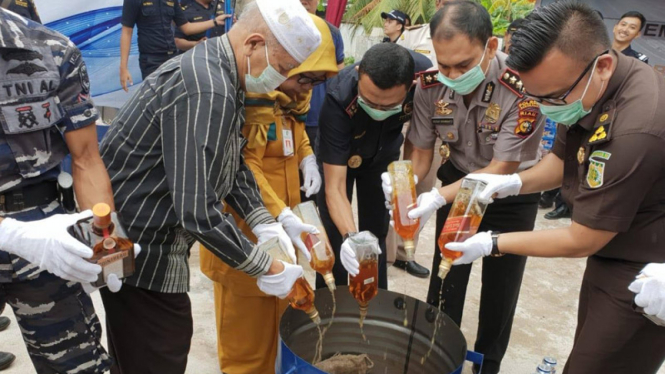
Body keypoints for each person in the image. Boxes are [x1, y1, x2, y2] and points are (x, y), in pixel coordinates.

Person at [99, 1, 321, 373]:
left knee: (140, 352)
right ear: (253, 44)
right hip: (140, 250)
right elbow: (198, 210)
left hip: (146, 241)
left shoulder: (221, 71)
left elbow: (228, 160)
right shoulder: (209, 87)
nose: (283, 81)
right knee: (158, 352)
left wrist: (266, 219)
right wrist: (264, 266)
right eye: (282, 68)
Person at [444, 2, 665, 373]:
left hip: (648, 268)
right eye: (537, 97)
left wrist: (492, 243)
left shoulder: (635, 128)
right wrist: (511, 182)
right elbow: (561, 162)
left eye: (552, 99)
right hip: (616, 247)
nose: (546, 109)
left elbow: (582, 239)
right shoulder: (583, 88)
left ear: (603, 65)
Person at [379, 3, 545, 373]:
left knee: (501, 288)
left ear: (490, 46)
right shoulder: (429, 85)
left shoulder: (523, 87)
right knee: (447, 275)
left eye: (463, 65)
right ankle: (437, 354)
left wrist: (438, 196)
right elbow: (421, 154)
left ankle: (488, 363)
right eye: (444, 63)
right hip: (457, 184)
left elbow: (502, 166)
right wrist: (402, 178)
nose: (452, 74)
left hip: (511, 193)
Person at [199, 15, 337, 373]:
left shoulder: (288, 98)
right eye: (303, 77)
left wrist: (307, 157)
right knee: (246, 355)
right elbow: (243, 170)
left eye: (316, 81)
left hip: (282, 240)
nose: (307, 89)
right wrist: (282, 214)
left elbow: (296, 129)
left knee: (277, 339)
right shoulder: (250, 97)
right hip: (247, 241)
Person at [0, 8, 116, 373]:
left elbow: (86, 157)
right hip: (24, 235)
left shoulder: (50, 50)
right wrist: (10, 233)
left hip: (47, 245)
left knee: (79, 366)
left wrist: (106, 242)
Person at [316, 43, 432, 290]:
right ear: (358, 74)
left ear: (409, 86)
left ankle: (374, 302)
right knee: (337, 237)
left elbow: (420, 143)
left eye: (388, 106)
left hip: (384, 155)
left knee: (376, 232)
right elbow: (334, 189)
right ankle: (332, 308)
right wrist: (350, 237)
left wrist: (407, 184)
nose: (377, 110)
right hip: (340, 155)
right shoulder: (337, 97)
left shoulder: (423, 77)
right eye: (370, 102)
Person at [119, 0, 232, 89]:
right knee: (154, 102)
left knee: (173, 103)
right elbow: (127, 32)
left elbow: (187, 27)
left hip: (172, 59)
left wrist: (215, 22)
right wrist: (123, 68)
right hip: (151, 60)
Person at [299, 0, 345, 202]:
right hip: (285, 115)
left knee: (319, 182)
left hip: (318, 117)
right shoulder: (278, 28)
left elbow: (339, 73)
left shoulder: (331, 32)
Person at [396, 0, 448, 66]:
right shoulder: (411, 36)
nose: (453, 10)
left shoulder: (464, 39)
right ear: (437, 4)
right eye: (447, 5)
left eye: (460, 6)